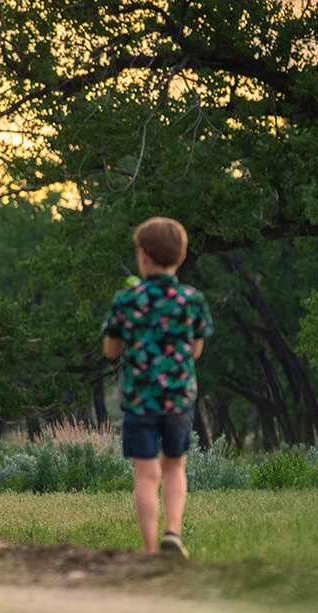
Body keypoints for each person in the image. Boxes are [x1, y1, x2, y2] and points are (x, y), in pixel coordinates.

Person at [101, 217, 213, 558]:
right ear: (179, 258)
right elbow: (195, 350)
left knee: (146, 474)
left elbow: (110, 351)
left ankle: (150, 550)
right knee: (174, 466)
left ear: (143, 255)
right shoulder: (192, 299)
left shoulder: (127, 299)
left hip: (139, 401)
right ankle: (173, 533)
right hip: (178, 399)